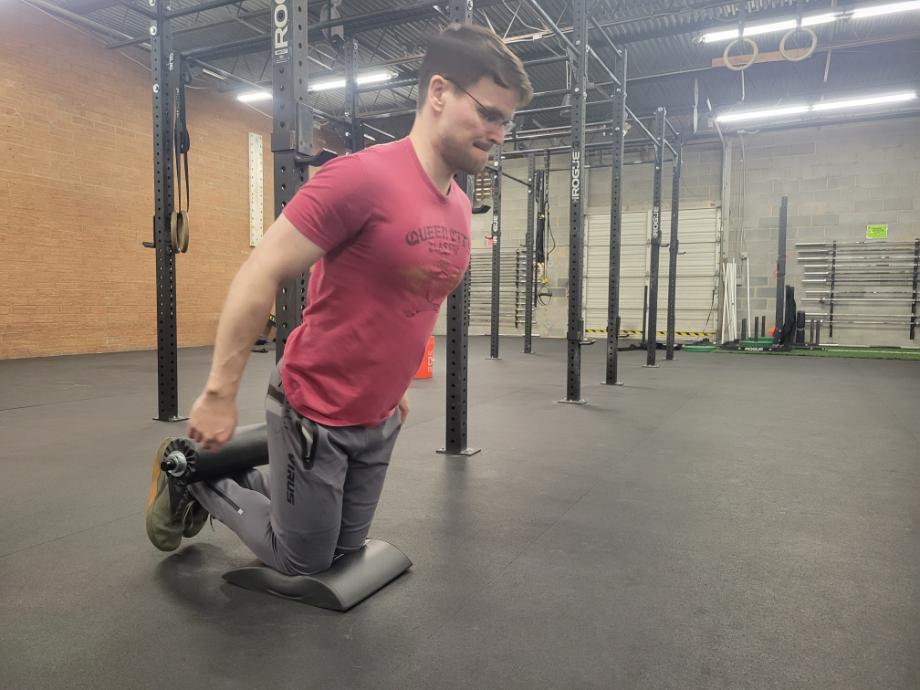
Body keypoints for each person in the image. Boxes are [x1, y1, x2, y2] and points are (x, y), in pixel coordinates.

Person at [145, 23, 533, 576]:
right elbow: (261, 270)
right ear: (440, 92)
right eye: (490, 113)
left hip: (378, 415)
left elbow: (419, 297)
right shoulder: (360, 177)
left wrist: (394, 385)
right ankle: (192, 473)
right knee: (301, 559)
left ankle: (261, 479)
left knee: (344, 556)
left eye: (506, 121)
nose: (498, 132)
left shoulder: (456, 207)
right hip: (315, 406)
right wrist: (217, 393)